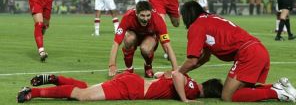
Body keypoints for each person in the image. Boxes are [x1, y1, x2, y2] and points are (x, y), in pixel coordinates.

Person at [178, 1, 296, 102]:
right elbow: (204, 58)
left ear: (187, 15)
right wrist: (182, 70)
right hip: (258, 49)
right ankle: (278, 86)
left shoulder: (197, 26)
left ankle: (276, 93)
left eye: (182, 15)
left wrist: (178, 73)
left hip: (248, 53)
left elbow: (192, 60)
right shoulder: (210, 18)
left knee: (227, 96)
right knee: (242, 91)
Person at [17, 72, 223, 103]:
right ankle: (32, 93)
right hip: (131, 89)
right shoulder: (194, 89)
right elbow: (176, 74)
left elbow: (165, 74)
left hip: (133, 81)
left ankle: (55, 78)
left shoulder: (190, 79)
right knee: (82, 96)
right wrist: (185, 99)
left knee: (86, 89)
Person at [108, 1, 177, 78]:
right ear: (136, 13)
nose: (145, 19)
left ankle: (148, 66)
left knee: (145, 48)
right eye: (142, 16)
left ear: (151, 13)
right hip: (134, 37)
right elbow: (116, 42)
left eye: (148, 15)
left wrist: (175, 69)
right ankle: (129, 69)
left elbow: (167, 45)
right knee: (128, 38)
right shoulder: (128, 17)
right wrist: (112, 65)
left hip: (150, 38)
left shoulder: (158, 20)